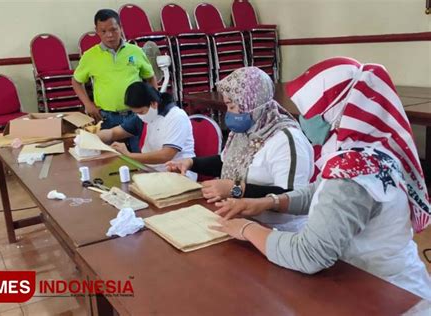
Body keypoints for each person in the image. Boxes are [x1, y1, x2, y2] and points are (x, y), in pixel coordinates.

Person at [210, 57, 431, 300]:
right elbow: (318, 190)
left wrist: (247, 229)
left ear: (335, 114)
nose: (303, 119)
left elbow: (309, 254)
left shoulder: (353, 170)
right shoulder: (365, 151)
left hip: (382, 293)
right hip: (374, 282)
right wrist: (269, 202)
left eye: (309, 112)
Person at [166, 67, 314, 230]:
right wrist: (191, 163)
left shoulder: (286, 139)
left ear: (251, 103)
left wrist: (235, 189)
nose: (228, 113)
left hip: (277, 229)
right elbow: (226, 162)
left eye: (231, 106)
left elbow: (292, 196)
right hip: (240, 218)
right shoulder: (246, 130)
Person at [72, 9, 157, 152]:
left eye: (113, 29)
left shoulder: (135, 51)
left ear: (121, 28)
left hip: (136, 114)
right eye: (103, 31)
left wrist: (153, 102)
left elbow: (150, 77)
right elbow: (76, 81)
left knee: (141, 153)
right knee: (111, 157)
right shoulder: (90, 56)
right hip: (108, 117)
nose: (109, 35)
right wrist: (88, 104)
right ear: (97, 31)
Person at [98, 81, 196, 180]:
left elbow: (166, 155)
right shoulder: (143, 116)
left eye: (141, 112)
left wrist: (129, 156)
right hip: (151, 170)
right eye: (136, 113)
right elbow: (113, 133)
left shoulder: (176, 117)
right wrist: (91, 137)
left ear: (153, 103)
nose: (139, 115)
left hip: (179, 173)